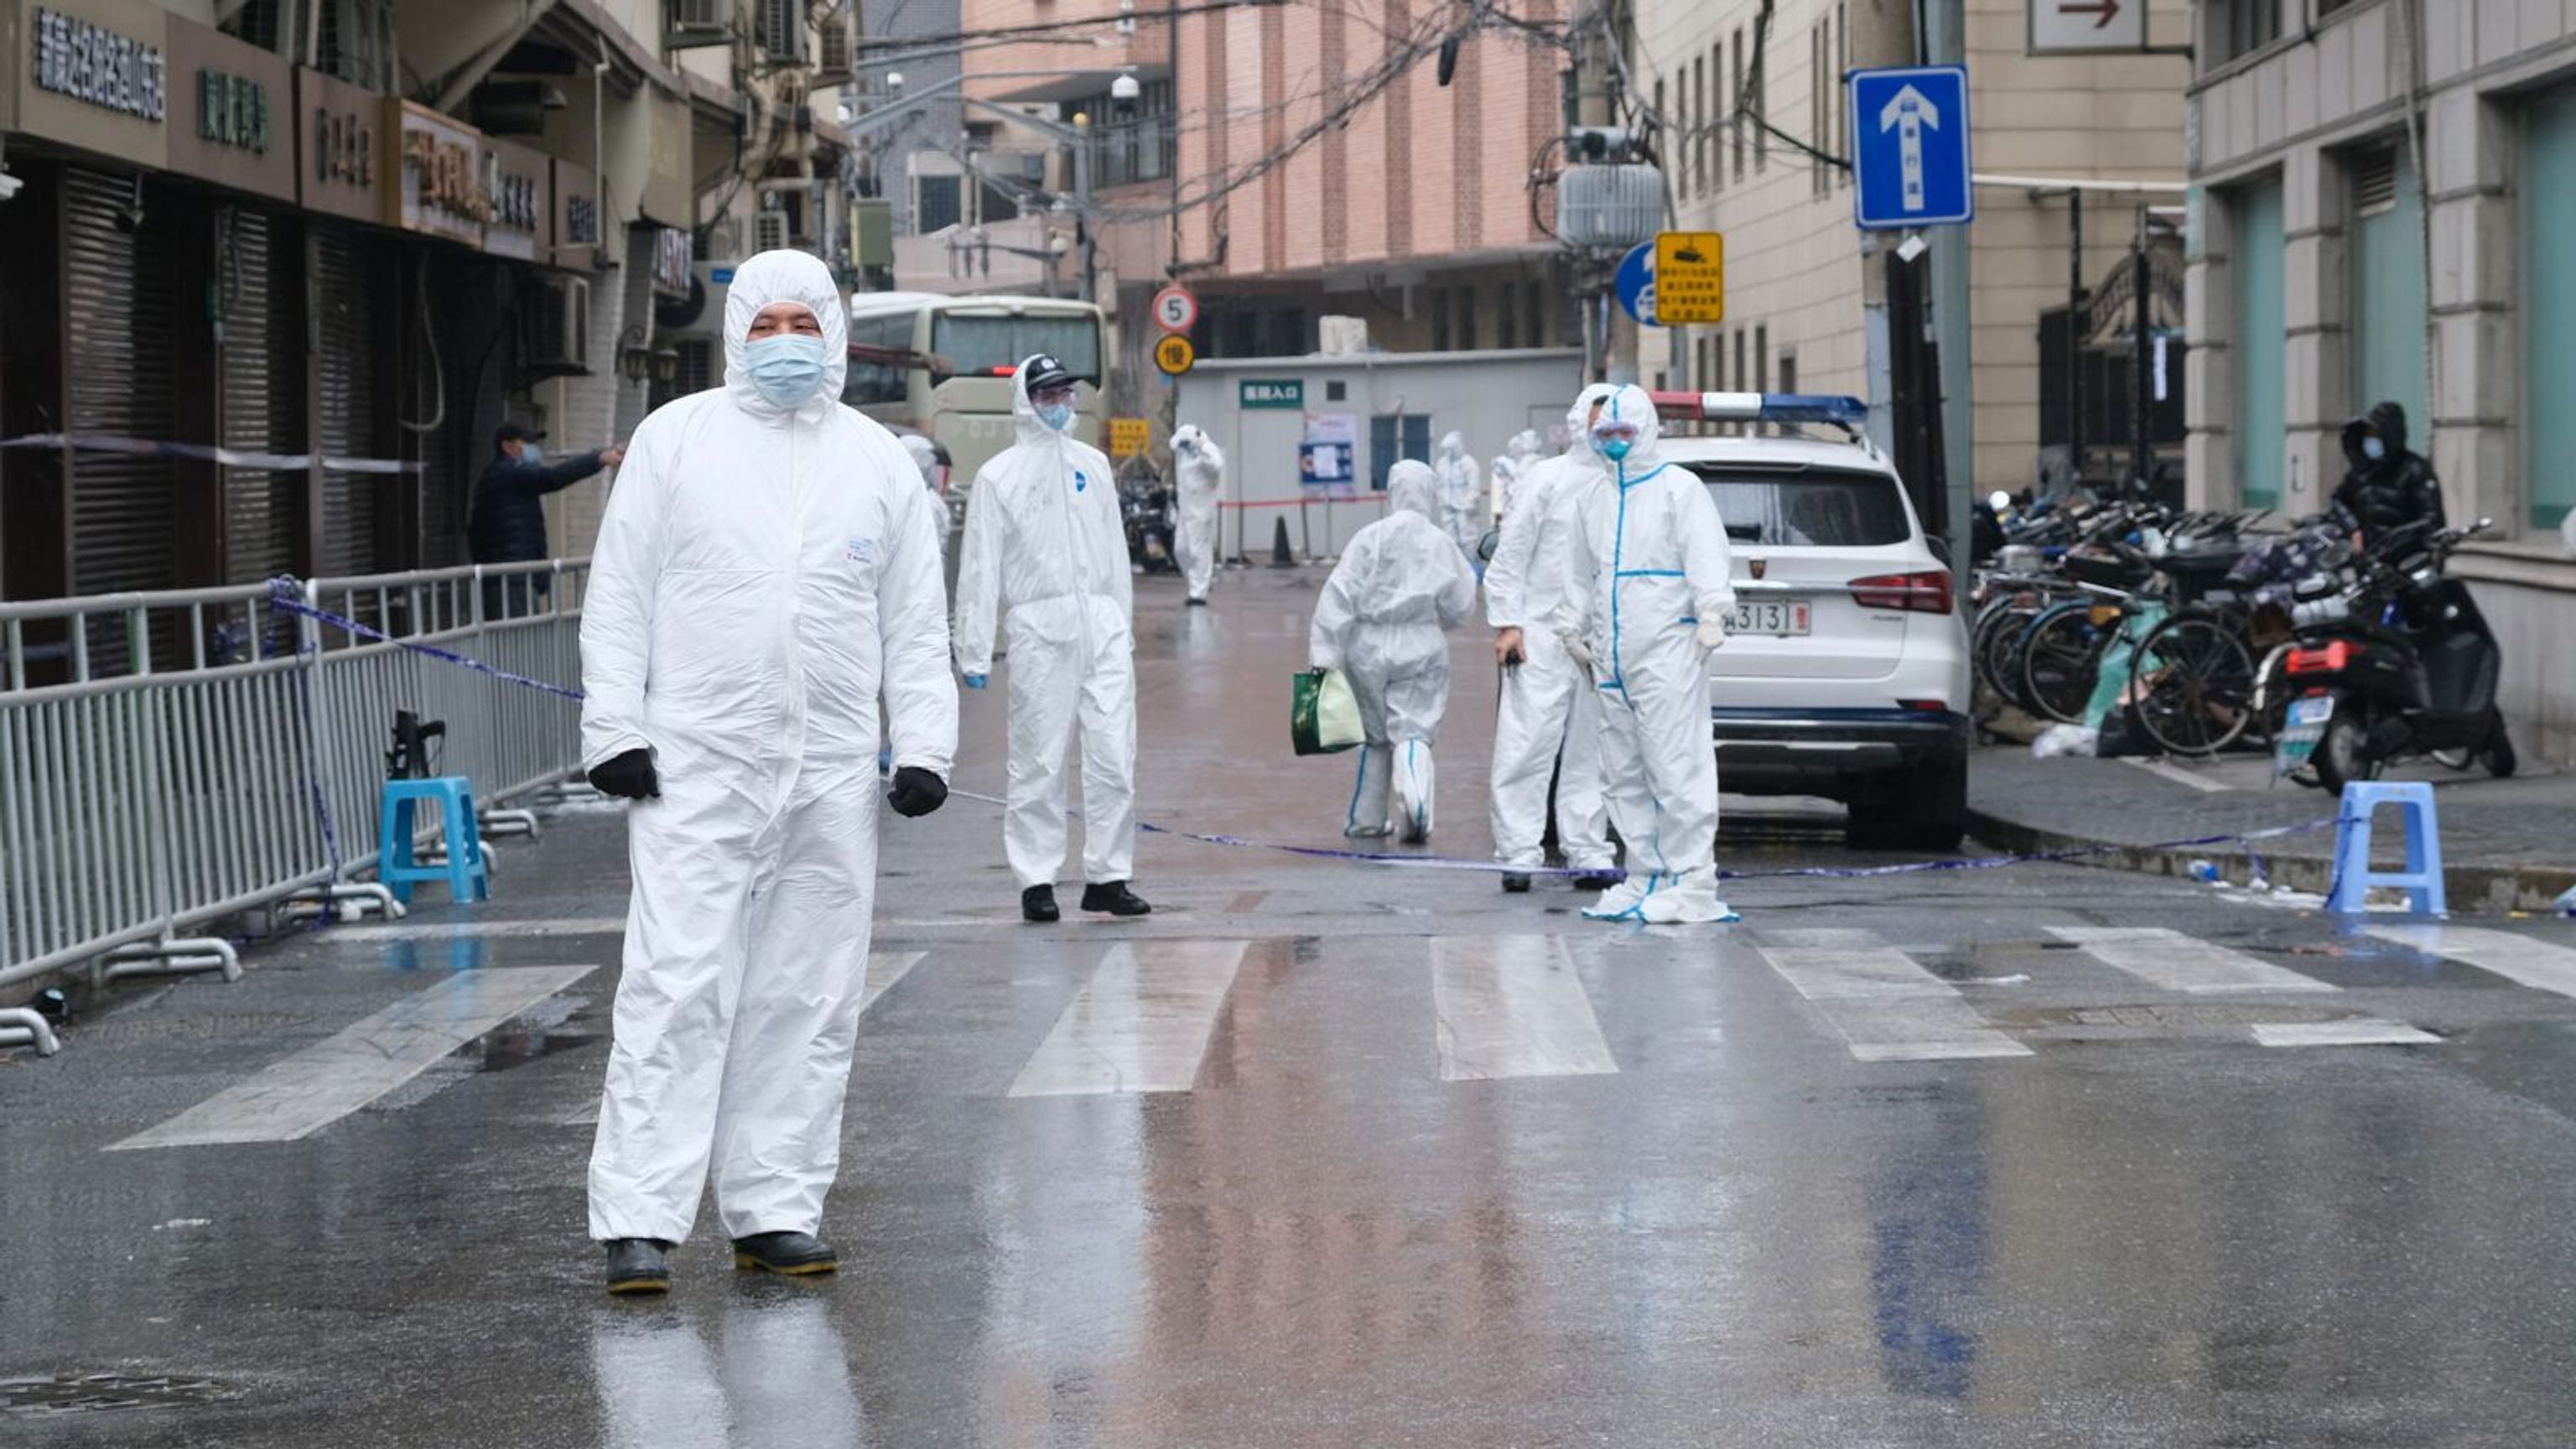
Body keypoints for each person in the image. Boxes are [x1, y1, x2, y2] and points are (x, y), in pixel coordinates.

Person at [578, 250, 958, 1296]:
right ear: (738, 327)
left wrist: (923, 744)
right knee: (675, 984)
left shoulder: (877, 460)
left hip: (833, 771)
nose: (786, 338)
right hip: (695, 762)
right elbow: (620, 595)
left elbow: (915, 621)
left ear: (833, 330)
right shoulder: (677, 440)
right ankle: (640, 1219)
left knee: (809, 994)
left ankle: (776, 1207)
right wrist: (614, 728)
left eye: (805, 318)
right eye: (768, 320)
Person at [956, 355, 1151, 923]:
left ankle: (1109, 876)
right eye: (1048, 395)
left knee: (1115, 755)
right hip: (1040, 628)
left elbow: (1115, 552)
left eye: (1066, 393)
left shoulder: (1093, 464)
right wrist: (973, 646)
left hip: (1102, 625)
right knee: (1038, 760)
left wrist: (1123, 623)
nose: (1061, 404)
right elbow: (980, 568)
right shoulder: (1000, 477)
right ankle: (1036, 877)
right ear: (1026, 400)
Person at [1550, 383, 1738, 925]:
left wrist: (1711, 614)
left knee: (1677, 765)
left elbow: (1705, 553)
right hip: (1611, 653)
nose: (1614, 443)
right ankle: (1644, 875)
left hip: (1667, 647)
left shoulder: (1679, 489)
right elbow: (1579, 572)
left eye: (1624, 433)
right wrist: (1571, 630)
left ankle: (1693, 883)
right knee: (1622, 772)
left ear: (1648, 431)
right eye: (1605, 434)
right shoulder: (1594, 497)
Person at [1486, 386, 1623, 894]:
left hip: (1600, 639)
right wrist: (1508, 624)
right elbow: (1512, 553)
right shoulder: (1547, 479)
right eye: (1598, 418)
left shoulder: (1627, 485)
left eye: (1616, 420)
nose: (1606, 429)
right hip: (1541, 635)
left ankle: (1588, 850)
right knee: (1527, 743)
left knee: (1593, 749)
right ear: (1577, 420)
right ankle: (1519, 852)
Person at [1310, 460, 1478, 842]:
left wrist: (1325, 657)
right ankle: (1416, 803)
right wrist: (1436, 623)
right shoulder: (1440, 542)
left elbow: (1338, 596)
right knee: (1414, 729)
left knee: (1375, 737)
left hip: (1367, 647)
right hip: (1420, 641)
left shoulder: (1369, 537)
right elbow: (1461, 604)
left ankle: (1366, 821)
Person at [470, 420, 621, 615]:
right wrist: (599, 459)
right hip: (512, 576)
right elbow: (552, 477)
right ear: (507, 446)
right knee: (519, 638)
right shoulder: (509, 473)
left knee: (519, 637)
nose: (532, 449)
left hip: (512, 575)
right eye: (524, 443)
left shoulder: (504, 474)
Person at [2334, 401, 2445, 545]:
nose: (2370, 440)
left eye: (2375, 434)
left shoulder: (2415, 469)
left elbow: (2432, 520)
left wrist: (2397, 537)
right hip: (2368, 557)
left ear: (2390, 434)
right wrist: (2353, 529)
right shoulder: (2361, 472)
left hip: (2407, 557)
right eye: (2367, 434)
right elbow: (2339, 502)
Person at [1172, 424, 1225, 605]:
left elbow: (1216, 467)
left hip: (1201, 510)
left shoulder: (1208, 449)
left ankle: (1199, 593)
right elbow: (1174, 444)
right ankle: (1200, 582)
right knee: (1180, 550)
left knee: (1198, 551)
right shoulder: (1184, 453)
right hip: (1185, 510)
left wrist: (1201, 453)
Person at [1432, 430, 1485, 560]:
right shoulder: (1442, 464)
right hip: (1448, 506)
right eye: (1447, 449)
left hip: (1464, 508)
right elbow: (1438, 483)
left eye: (1451, 449)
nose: (1449, 452)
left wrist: (1471, 502)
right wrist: (1441, 500)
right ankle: (1453, 566)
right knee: (1450, 538)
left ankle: (1470, 565)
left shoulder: (1469, 463)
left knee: (1468, 538)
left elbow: (1474, 486)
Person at [1490, 428, 1545, 525]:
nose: (1511, 453)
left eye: (1513, 449)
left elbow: (1521, 483)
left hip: (1524, 509)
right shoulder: (1519, 463)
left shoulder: (1532, 461)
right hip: (1514, 508)